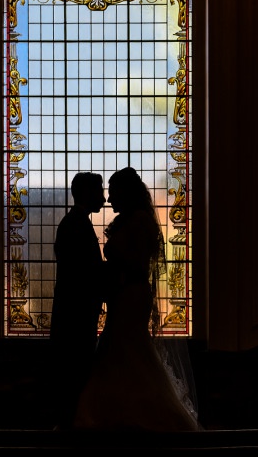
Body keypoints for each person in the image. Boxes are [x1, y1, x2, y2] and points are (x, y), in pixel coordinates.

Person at [73, 167, 200, 431]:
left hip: (131, 295)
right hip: (125, 295)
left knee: (124, 347)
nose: (109, 199)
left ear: (126, 193)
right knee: (124, 350)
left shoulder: (140, 222)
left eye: (114, 192)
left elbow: (136, 264)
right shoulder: (133, 221)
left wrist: (113, 275)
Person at [50, 172, 106, 429]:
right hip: (76, 317)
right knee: (75, 372)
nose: (104, 197)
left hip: (75, 314)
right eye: (99, 191)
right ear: (86, 193)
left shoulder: (75, 223)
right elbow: (83, 274)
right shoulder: (76, 225)